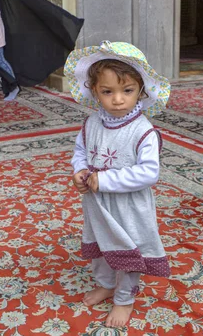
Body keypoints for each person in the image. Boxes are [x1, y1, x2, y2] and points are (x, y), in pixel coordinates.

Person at [66, 41, 171, 328]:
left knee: (128, 251)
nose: (118, 99)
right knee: (99, 245)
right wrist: (80, 170)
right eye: (107, 91)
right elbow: (80, 152)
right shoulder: (91, 124)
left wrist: (107, 179)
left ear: (141, 90)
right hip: (97, 203)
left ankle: (124, 299)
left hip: (129, 207)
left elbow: (149, 172)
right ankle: (105, 283)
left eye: (127, 91)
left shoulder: (143, 131)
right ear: (94, 91)